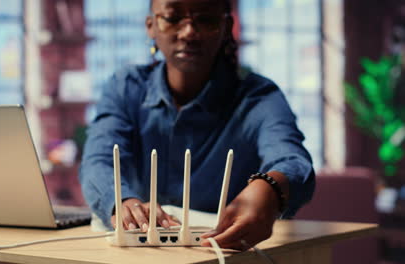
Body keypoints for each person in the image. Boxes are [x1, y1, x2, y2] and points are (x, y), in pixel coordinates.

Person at [79, 0, 315, 250]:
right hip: (143, 254)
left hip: (223, 252)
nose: (189, 31)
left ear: (226, 27)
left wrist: (271, 188)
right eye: (172, 17)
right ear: (151, 26)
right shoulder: (125, 87)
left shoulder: (258, 96)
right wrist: (121, 202)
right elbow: (99, 159)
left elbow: (292, 160)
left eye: (206, 19)